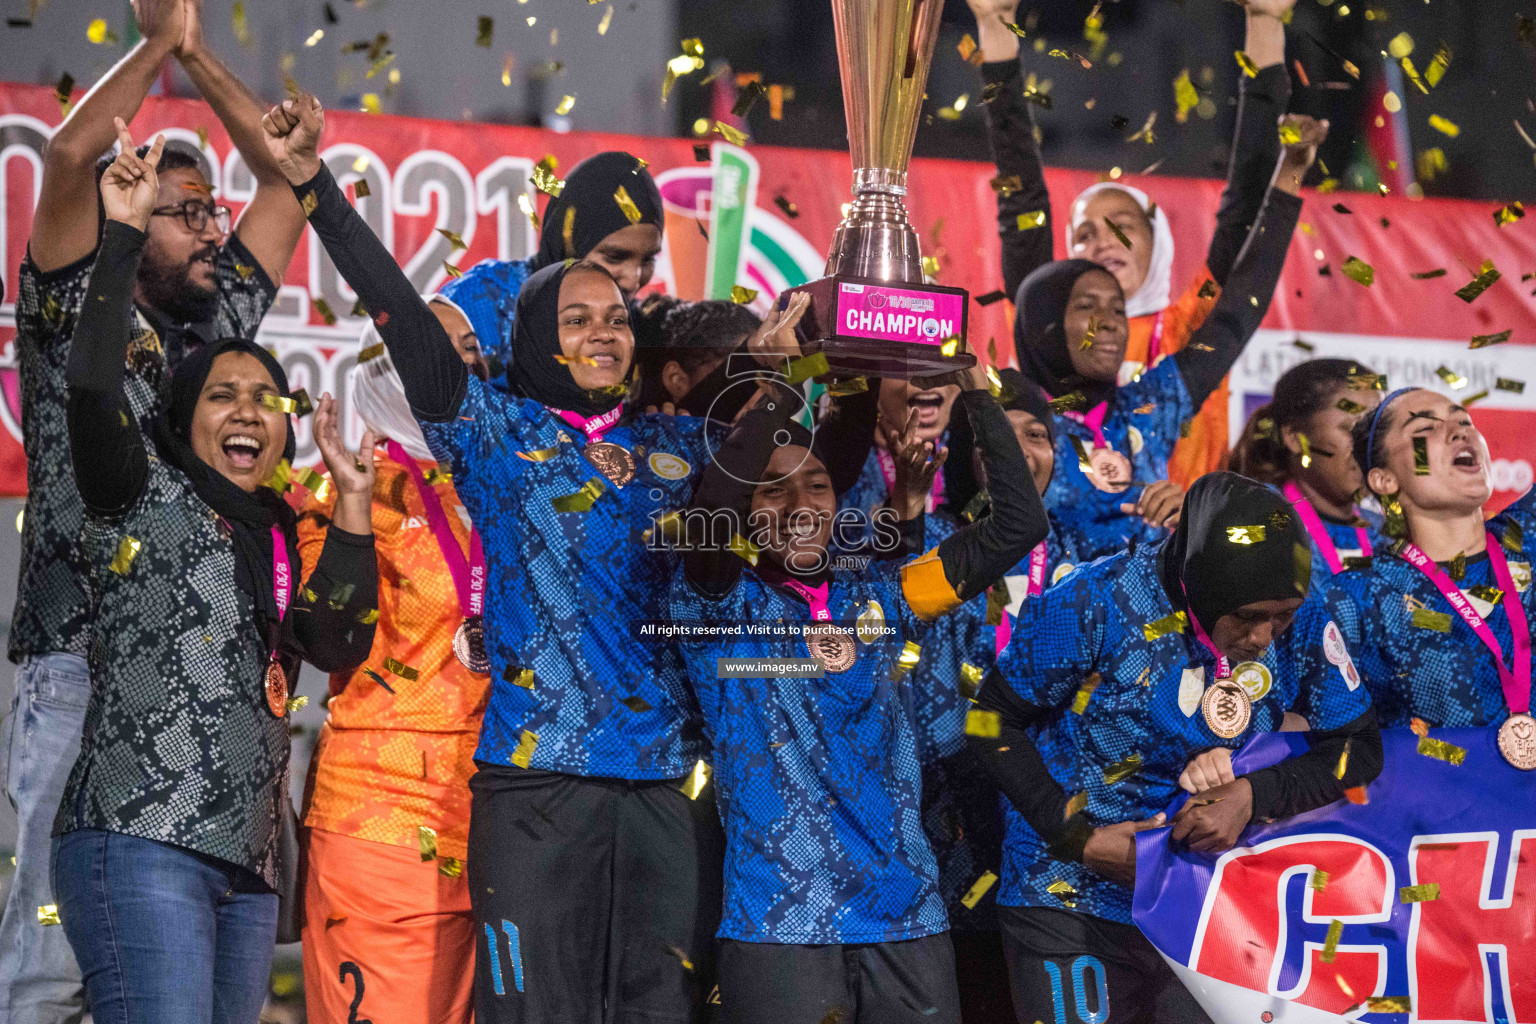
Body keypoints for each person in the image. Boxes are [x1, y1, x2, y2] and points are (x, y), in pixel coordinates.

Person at [264, 91, 724, 1022]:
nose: (606, 327)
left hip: (654, 794)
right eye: (578, 314)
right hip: (523, 789)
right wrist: (315, 188)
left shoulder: (671, 458)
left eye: (621, 313)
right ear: (531, 342)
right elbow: (401, 314)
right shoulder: (497, 439)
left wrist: (791, 373)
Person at [2, 0, 306, 1016]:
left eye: (211, 210)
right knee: (50, 976)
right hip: (80, 663)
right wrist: (155, 45)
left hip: (193, 693)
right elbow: (72, 149)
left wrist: (202, 54)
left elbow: (287, 182)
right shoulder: (70, 302)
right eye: (188, 211)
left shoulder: (212, 333)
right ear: (128, 213)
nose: (214, 225)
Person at [50, 125, 377, 1024]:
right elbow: (90, 389)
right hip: (141, 840)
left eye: (266, 398)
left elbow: (338, 639)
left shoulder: (281, 530)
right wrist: (119, 238)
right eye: (223, 394)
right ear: (182, 421)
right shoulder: (137, 492)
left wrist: (351, 508)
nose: (248, 410)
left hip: (249, 870)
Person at [669, 336, 1048, 1024]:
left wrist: (974, 389)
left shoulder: (885, 598)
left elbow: (1017, 526)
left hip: (907, 916)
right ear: (742, 515)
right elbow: (710, 511)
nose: (800, 502)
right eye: (772, 490)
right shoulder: (716, 602)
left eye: (816, 484)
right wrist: (788, 384)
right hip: (780, 925)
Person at [968, 472, 1382, 1023]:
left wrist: (1253, 796)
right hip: (1069, 895)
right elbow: (990, 722)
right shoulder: (1097, 600)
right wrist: (1077, 837)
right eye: (1249, 616)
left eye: (1279, 616)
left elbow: (1359, 746)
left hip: (1210, 904)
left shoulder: (1302, 612)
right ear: (1199, 583)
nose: (1265, 637)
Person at [977, 0, 1299, 488]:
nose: (1103, 241)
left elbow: (1246, 204)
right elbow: (1022, 198)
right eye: (1084, 233)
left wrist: (1264, 24)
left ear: (1160, 246)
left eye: (1124, 225)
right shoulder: (1046, 332)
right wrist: (993, 29)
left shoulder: (1194, 326)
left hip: (1182, 553)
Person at [294, 303, 491, 1024]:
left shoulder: (507, 482)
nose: (462, 364)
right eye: (440, 348)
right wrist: (349, 504)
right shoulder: (354, 489)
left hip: (505, 821)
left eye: (472, 348)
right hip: (385, 823)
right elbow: (329, 639)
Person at [1010, 114, 1324, 563]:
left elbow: (1237, 314)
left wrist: (1292, 170)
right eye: (1086, 306)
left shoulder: (1152, 405)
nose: (1112, 322)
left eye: (1118, 309)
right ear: (1043, 325)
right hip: (1041, 630)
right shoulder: (1010, 426)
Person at [901, 369, 1078, 1023]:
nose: (1022, 448)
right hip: (950, 833)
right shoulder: (931, 549)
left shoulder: (1091, 560)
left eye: (1038, 433)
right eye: (999, 432)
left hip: (1055, 834)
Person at [1331, 389, 1536, 743]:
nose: (1460, 431)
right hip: (1444, 796)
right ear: (1385, 480)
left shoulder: (1527, 538)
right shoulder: (1360, 598)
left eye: (1464, 420)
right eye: (1425, 428)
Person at [440, 150, 664, 380]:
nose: (633, 280)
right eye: (615, 257)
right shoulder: (480, 302)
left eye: (648, 259)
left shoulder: (640, 327)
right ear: (567, 244)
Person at [1231, 359, 1385, 574]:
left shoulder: (1387, 534)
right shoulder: (1252, 526)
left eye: (1375, 429)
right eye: (1351, 428)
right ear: (1295, 438)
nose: (1368, 444)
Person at [637, 299, 761, 417]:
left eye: (766, 378)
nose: (756, 396)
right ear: (677, 380)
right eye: (738, 377)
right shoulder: (631, 436)